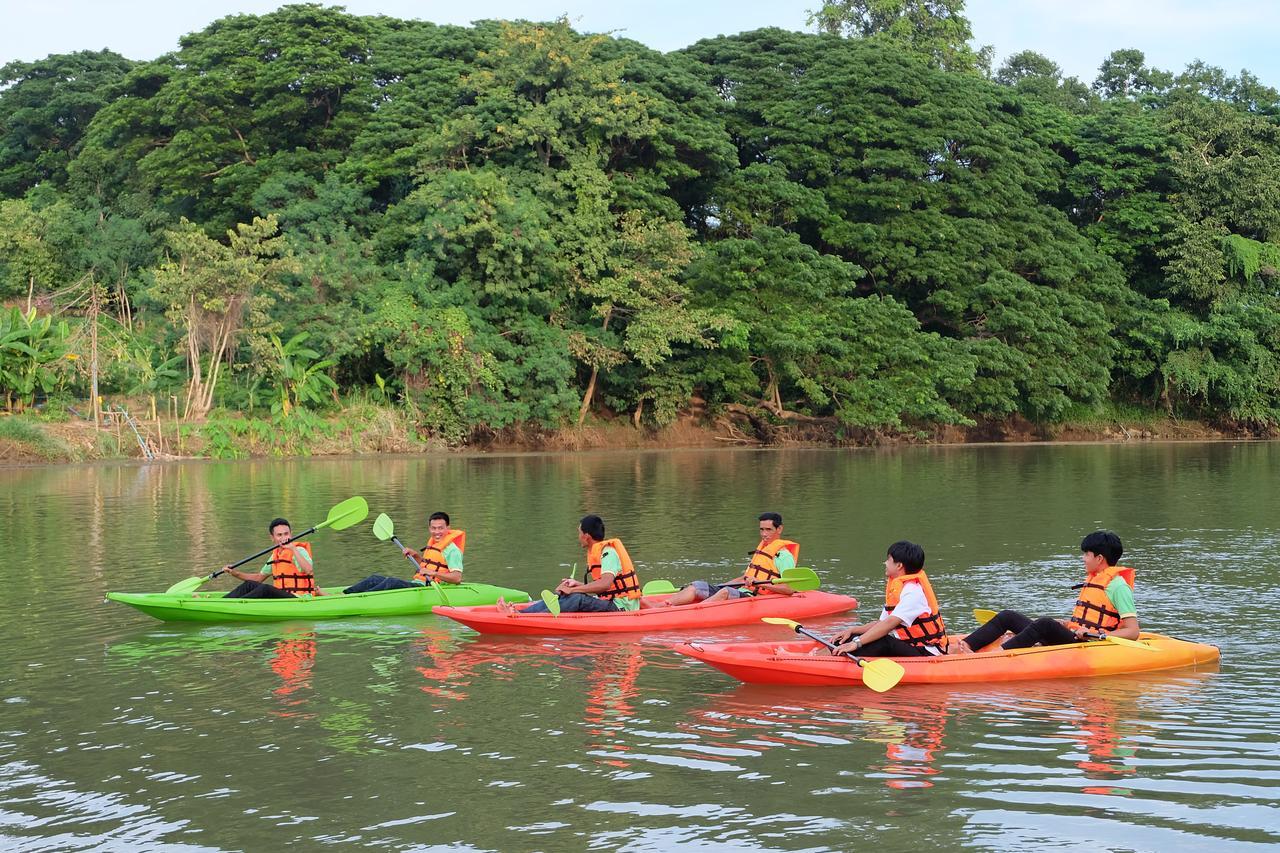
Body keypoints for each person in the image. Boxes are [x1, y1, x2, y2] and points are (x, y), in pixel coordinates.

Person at [950, 530, 1138, 654]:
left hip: (1090, 645)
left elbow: (1133, 631)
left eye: (1086, 554)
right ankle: (967, 645)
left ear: (1099, 558)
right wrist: (1066, 624)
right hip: (1074, 636)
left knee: (1044, 624)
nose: (1083, 559)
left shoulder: (1118, 587)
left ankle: (996, 655)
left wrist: (1096, 635)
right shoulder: (1094, 580)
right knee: (1008, 616)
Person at [497, 515, 641, 614]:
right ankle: (519, 612)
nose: (578, 537)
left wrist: (574, 591)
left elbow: (605, 585)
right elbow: (604, 589)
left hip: (621, 608)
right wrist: (576, 584)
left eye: (579, 533)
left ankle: (523, 618)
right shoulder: (599, 552)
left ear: (587, 536)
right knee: (563, 595)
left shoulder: (608, 553)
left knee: (576, 597)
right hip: (610, 601)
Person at [826, 541, 948, 658]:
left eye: (888, 560)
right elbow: (881, 623)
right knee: (856, 636)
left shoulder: (913, 592)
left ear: (899, 565)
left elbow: (889, 625)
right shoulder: (900, 589)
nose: (885, 563)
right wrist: (852, 630)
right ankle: (823, 655)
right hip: (912, 646)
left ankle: (826, 660)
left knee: (881, 640)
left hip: (928, 652)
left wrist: (856, 643)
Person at [650, 512, 799, 607]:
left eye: (768, 530)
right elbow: (744, 577)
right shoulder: (761, 550)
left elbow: (789, 589)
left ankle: (690, 612)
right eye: (761, 529)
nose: (764, 534)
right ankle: (660, 607)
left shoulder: (784, 556)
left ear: (779, 529)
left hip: (757, 597)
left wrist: (762, 584)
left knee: (726, 592)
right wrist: (719, 586)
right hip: (744, 590)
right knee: (698, 585)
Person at [344, 512, 464, 593]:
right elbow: (425, 566)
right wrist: (416, 555)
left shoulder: (452, 551)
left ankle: (356, 601)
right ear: (429, 528)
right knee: (374, 579)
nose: (436, 532)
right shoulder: (433, 544)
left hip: (430, 589)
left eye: (440, 528)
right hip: (418, 583)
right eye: (433, 528)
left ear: (448, 528)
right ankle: (344, 596)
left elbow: (457, 578)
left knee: (391, 582)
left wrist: (432, 572)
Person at [223, 517, 321, 599]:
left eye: (286, 534)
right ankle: (224, 602)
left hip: (300, 598)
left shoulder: (299, 550)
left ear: (291, 534)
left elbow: (309, 570)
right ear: (272, 537)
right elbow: (258, 578)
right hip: (282, 597)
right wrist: (235, 573)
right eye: (279, 535)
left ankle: (236, 606)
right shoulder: (276, 555)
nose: (283, 538)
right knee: (250, 584)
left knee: (265, 589)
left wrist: (293, 548)